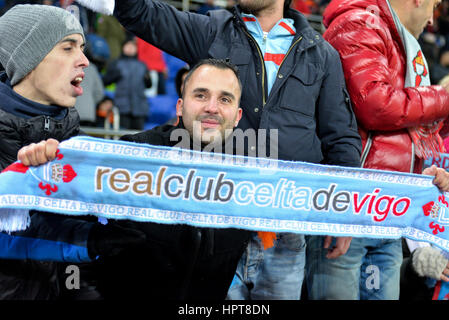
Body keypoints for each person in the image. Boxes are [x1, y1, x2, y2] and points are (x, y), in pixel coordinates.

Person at [75, 0, 362, 299]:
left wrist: (347, 215)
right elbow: (142, 14)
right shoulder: (213, 29)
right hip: (216, 220)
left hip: (284, 227)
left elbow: (340, 137)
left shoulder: (321, 53)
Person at [19, 58, 253, 300]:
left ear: (237, 116)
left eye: (224, 99)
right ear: (180, 107)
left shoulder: (252, 181)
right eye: (201, 95)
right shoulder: (131, 156)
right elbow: (69, 238)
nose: (212, 108)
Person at [305, 0, 449, 300]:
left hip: (389, 207)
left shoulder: (400, 40)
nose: (432, 20)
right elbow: (374, 104)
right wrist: (443, 96)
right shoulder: (360, 23)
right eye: (433, 7)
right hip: (352, 204)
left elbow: (409, 125)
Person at [0, 4, 145, 300]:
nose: (84, 61)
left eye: (82, 48)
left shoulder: (77, 144)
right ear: (29, 61)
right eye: (68, 48)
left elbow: (79, 271)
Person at [102, 36, 152, 130]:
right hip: (122, 107)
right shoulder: (116, 63)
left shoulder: (142, 65)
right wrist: (113, 75)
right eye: (127, 45)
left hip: (139, 107)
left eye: (132, 46)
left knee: (138, 137)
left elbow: (149, 85)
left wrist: (148, 80)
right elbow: (105, 82)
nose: (130, 48)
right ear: (123, 47)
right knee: (123, 136)